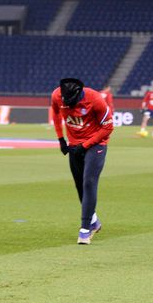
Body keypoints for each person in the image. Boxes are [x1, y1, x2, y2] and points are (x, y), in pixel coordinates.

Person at [50, 77, 113, 244]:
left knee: (88, 182)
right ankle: (93, 221)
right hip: (74, 144)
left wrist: (85, 145)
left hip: (96, 143)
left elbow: (108, 127)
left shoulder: (95, 99)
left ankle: (85, 229)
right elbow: (55, 113)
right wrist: (60, 139)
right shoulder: (56, 96)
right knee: (79, 185)